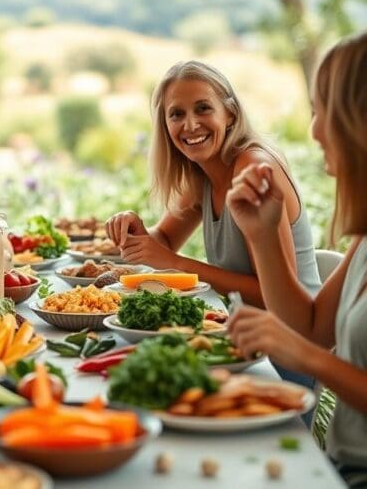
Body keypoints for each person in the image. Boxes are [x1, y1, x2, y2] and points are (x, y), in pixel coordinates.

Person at [228, 33, 367, 486]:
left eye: (321, 111)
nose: (314, 130)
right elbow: (309, 325)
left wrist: (308, 359)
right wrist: (263, 233)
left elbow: (307, 345)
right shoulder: (364, 237)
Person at [105, 60, 320, 308]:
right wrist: (137, 233)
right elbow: (165, 239)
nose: (190, 125)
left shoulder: (252, 167)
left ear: (230, 114)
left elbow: (274, 296)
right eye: (177, 114)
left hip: (296, 327)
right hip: (245, 323)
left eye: (203, 108)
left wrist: (175, 263)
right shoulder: (203, 173)